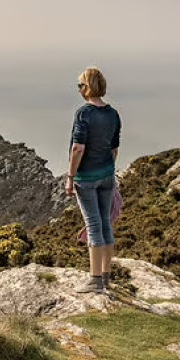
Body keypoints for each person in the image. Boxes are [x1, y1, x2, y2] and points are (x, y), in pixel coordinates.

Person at [66, 67, 121, 294]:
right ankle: (106, 276)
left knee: (94, 225)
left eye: (80, 85)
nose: (79, 89)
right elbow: (114, 148)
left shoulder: (84, 114)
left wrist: (70, 177)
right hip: (107, 175)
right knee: (105, 223)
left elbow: (78, 148)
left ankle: (95, 280)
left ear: (87, 88)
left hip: (86, 178)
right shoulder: (113, 114)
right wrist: (107, 169)